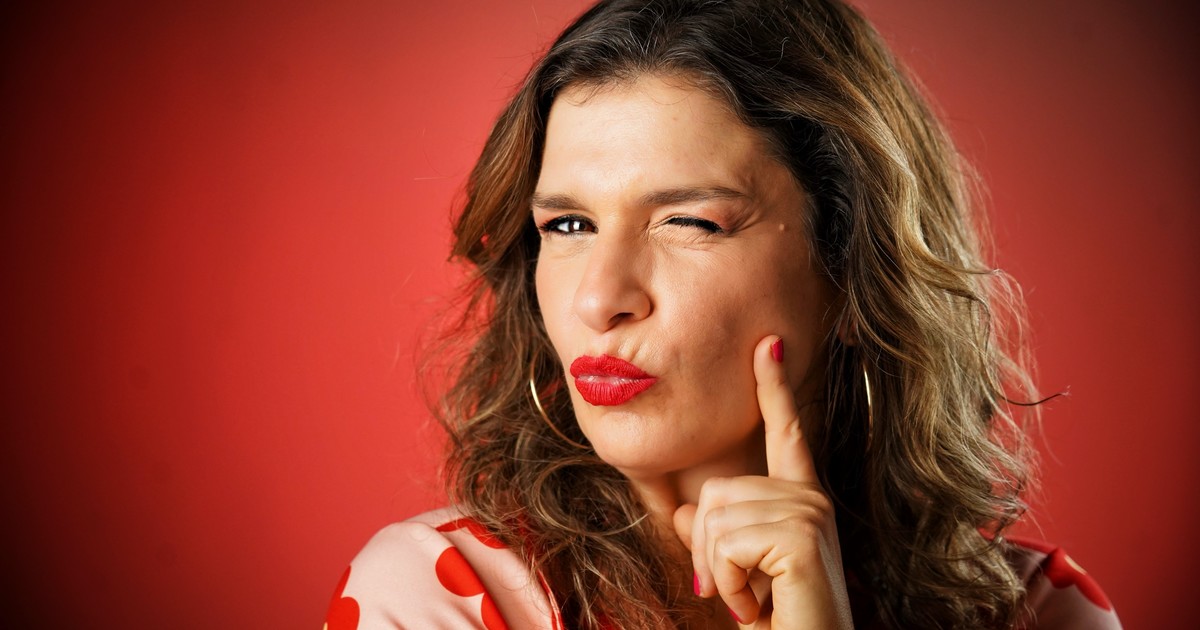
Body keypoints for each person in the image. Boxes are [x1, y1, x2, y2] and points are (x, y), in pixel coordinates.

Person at [325, 0, 1121, 627]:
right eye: (567, 225)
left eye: (689, 222)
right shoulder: (438, 598)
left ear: (852, 270)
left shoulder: (1039, 612)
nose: (599, 298)